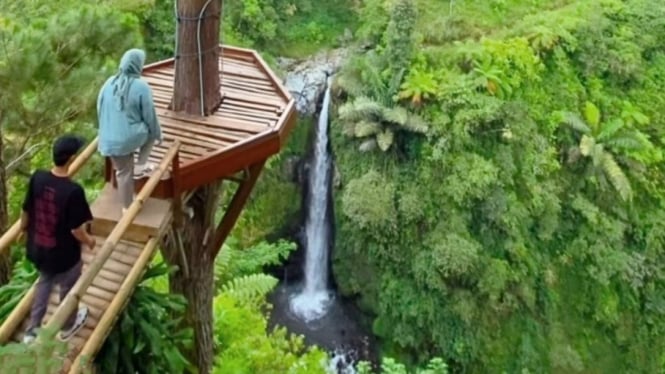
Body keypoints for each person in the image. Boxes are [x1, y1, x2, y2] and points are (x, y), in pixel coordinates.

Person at [21, 135, 96, 344]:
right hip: (64, 255)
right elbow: (76, 230)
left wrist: (22, 229)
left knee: (44, 282)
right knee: (68, 285)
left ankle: (32, 329)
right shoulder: (73, 191)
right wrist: (89, 241)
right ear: (72, 159)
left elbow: (26, 209)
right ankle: (68, 323)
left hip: (40, 248)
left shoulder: (38, 177)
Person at [97, 48, 162, 213]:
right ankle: (127, 207)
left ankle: (127, 200)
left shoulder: (109, 82)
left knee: (122, 170)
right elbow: (150, 117)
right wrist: (158, 134)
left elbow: (99, 108)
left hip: (107, 139)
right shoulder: (141, 86)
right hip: (126, 139)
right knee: (150, 130)